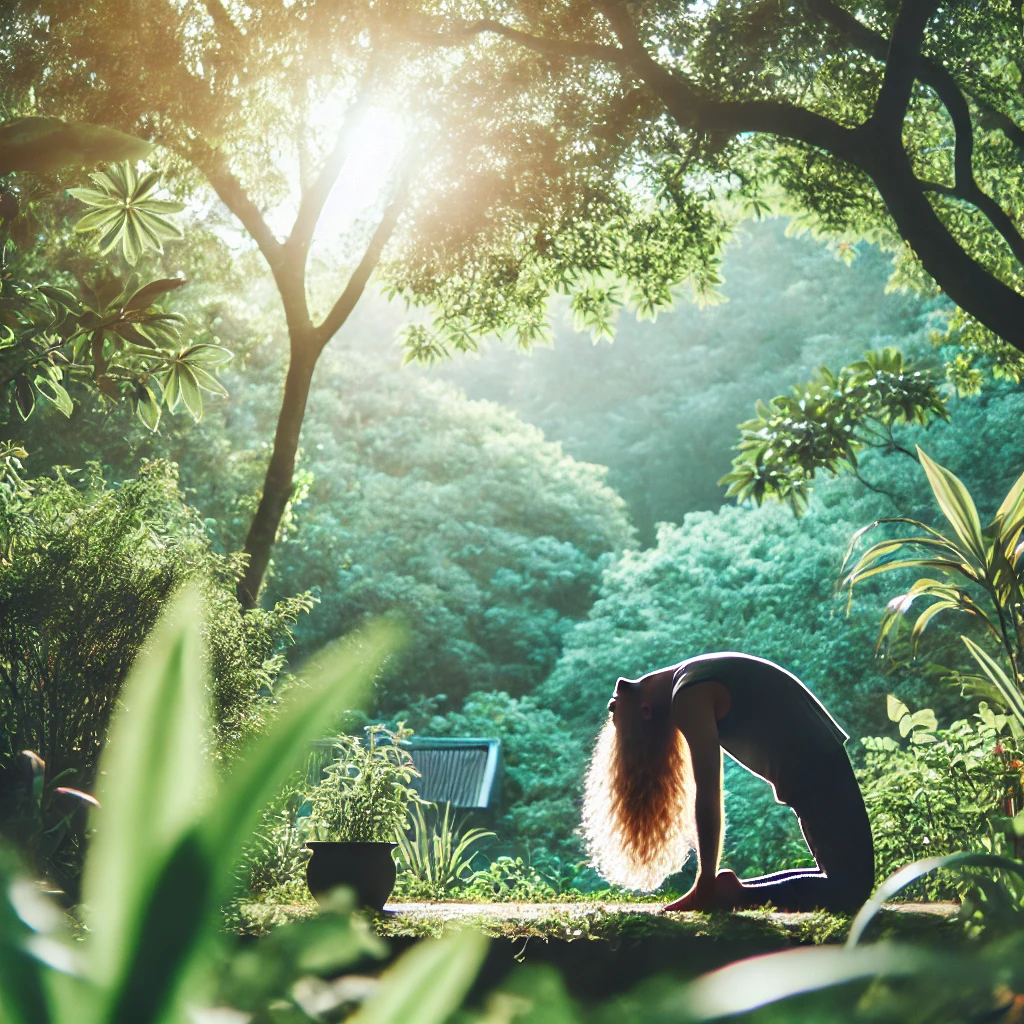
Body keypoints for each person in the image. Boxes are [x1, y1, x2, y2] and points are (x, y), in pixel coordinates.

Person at [581, 652, 875, 913]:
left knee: (848, 890)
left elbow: (708, 790)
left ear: (645, 711)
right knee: (848, 887)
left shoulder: (688, 694)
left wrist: (705, 879)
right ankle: (732, 893)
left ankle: (729, 894)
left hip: (818, 769)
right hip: (817, 767)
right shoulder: (690, 677)